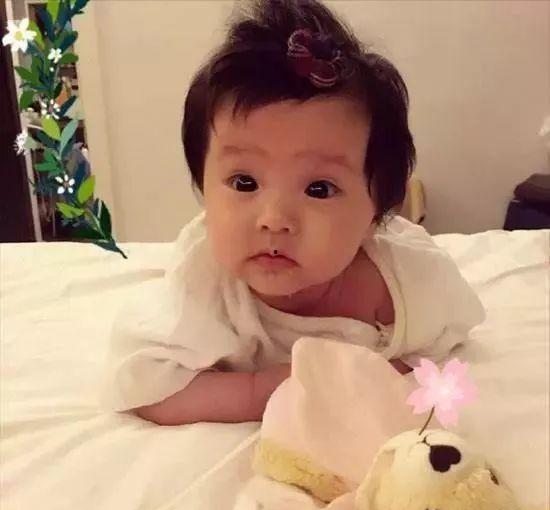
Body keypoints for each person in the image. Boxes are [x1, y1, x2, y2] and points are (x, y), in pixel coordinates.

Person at [100, 0, 485, 426]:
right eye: (244, 182)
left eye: (319, 189)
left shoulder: (408, 287)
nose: (274, 218)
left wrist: (392, 371)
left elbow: (454, 332)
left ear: (376, 215)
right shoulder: (207, 282)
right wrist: (261, 390)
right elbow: (141, 383)